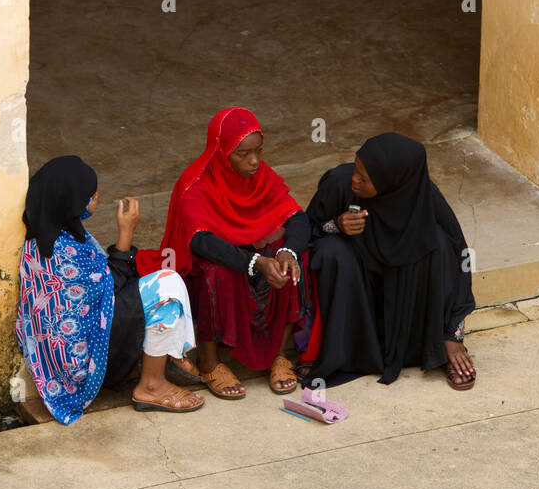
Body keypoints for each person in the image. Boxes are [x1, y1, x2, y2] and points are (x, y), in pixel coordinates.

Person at [136, 107, 312, 399]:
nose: (254, 161)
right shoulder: (195, 185)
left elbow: (296, 217)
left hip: (252, 255)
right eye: (243, 154)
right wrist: (255, 262)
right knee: (216, 270)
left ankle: (280, 354)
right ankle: (209, 360)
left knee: (295, 261)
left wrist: (286, 251)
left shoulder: (260, 175)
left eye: (258, 151)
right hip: (205, 264)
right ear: (221, 151)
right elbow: (200, 242)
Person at [16, 155, 205, 421]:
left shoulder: (44, 238)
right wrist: (126, 233)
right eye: (91, 195)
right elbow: (110, 290)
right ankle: (151, 386)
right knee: (167, 287)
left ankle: (173, 351)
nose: (97, 199)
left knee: (161, 275)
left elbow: (102, 285)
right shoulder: (62, 253)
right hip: (82, 364)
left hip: (77, 347)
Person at [301, 132, 477, 390]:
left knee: (438, 244)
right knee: (331, 252)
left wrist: (454, 334)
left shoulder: (423, 197)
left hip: (407, 295)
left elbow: (460, 263)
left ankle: (436, 346)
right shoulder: (339, 184)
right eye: (355, 169)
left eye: (364, 178)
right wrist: (336, 225)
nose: (354, 181)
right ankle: (340, 348)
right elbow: (306, 230)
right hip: (361, 289)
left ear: (392, 181)